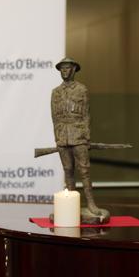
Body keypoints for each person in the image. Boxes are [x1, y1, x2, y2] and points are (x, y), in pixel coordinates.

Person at [51, 57, 101, 214]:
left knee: (84, 170)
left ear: (73, 70)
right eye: (62, 69)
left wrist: (86, 136)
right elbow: (54, 117)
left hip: (78, 135)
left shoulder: (81, 89)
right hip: (62, 137)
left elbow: (86, 115)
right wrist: (57, 137)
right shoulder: (55, 92)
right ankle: (70, 206)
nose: (64, 71)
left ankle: (91, 203)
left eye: (67, 68)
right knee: (68, 170)